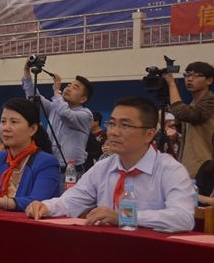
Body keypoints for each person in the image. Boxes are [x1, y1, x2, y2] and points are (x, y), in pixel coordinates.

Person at [26, 96, 195, 232]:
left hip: (152, 255)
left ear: (149, 134)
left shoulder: (170, 170)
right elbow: (71, 201)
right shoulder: (102, 168)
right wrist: (45, 206)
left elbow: (183, 218)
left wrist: (124, 216)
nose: (113, 132)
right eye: (112, 124)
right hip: (106, 250)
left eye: (125, 125)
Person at [0, 98, 60, 211]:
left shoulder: (46, 162)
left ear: (33, 129)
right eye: (3, 121)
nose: (6, 128)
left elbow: (37, 202)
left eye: (14, 122)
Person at [22, 59, 93, 191]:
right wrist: (27, 70)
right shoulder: (55, 107)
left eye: (75, 88)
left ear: (83, 99)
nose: (68, 88)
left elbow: (66, 114)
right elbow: (33, 97)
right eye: (69, 85)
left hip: (72, 173)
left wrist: (56, 92)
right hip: (50, 169)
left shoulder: (85, 115)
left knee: (67, 210)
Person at [164, 61, 214, 178]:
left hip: (204, 166)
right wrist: (177, 120)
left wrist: (171, 84)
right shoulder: (193, 104)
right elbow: (188, 132)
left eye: (195, 76)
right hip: (190, 165)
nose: (189, 79)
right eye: (187, 75)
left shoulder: (211, 102)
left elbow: (184, 113)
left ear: (209, 81)